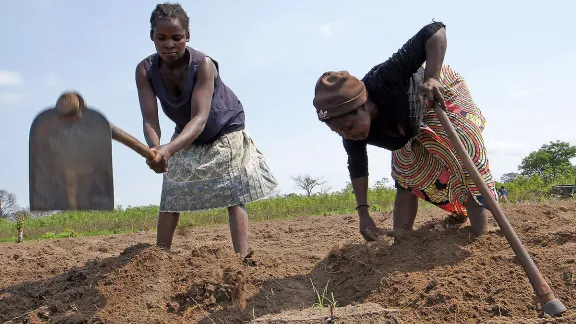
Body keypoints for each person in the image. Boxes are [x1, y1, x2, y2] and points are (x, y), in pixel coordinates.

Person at [312, 21, 498, 241]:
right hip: (407, 127)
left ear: (363, 106)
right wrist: (363, 214)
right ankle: (401, 243)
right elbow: (357, 166)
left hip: (436, 97)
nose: (348, 134)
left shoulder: (386, 78)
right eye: (339, 132)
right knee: (405, 172)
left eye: (349, 127)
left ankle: (479, 238)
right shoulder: (351, 134)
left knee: (465, 160)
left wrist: (432, 78)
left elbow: (435, 31)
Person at [135, 2, 278, 260]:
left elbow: (200, 119)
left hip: (224, 127)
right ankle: (159, 258)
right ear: (152, 37)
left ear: (187, 37)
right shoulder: (145, 70)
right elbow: (150, 119)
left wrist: (168, 148)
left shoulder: (203, 65)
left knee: (233, 192)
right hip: (185, 132)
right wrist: (155, 149)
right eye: (162, 38)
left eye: (176, 38)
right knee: (172, 190)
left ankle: (241, 259)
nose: (169, 44)